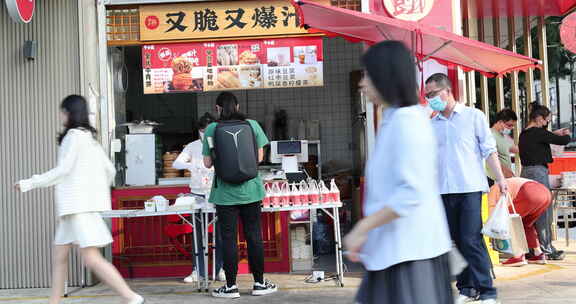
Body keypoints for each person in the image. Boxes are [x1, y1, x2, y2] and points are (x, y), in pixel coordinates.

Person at [344, 41, 453, 304]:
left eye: (368, 75)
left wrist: (362, 228)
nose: (363, 83)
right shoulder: (394, 119)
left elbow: (410, 193)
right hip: (395, 251)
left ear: (385, 76)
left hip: (411, 255)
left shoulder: (408, 122)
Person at [14, 95, 144, 304]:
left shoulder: (73, 136)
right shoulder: (89, 139)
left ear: (69, 113)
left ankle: (132, 297)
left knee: (90, 258)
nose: (60, 115)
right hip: (77, 208)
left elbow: (63, 170)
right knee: (60, 257)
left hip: (77, 208)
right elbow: (109, 170)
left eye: (62, 111)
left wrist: (30, 182)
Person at [426, 73, 508, 304]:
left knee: (471, 239)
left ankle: (487, 290)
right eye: (427, 95)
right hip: (442, 191)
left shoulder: (474, 117)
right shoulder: (432, 125)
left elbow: (489, 151)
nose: (430, 99)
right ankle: (466, 287)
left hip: (470, 188)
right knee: (455, 239)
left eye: (432, 94)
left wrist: (501, 179)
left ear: (447, 91)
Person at [202, 92, 277, 299]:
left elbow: (207, 163)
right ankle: (260, 283)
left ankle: (231, 286)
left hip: (224, 194)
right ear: (237, 105)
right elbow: (259, 158)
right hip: (251, 191)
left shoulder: (211, 129)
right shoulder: (252, 125)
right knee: (254, 236)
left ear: (217, 108)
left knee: (228, 239)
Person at [173, 112, 225, 283]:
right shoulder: (193, 146)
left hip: (217, 192)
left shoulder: (221, 143)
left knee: (221, 233)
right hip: (197, 193)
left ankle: (221, 269)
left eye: (208, 130)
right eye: (202, 130)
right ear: (199, 131)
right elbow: (176, 163)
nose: (205, 134)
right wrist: (191, 165)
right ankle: (197, 271)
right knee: (197, 234)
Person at [519, 103, 571, 261]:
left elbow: (545, 138)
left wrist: (553, 134)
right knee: (544, 210)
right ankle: (547, 249)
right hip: (538, 173)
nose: (546, 123)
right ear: (539, 118)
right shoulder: (539, 132)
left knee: (530, 212)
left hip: (526, 173)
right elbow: (562, 141)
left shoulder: (525, 133)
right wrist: (567, 134)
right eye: (546, 120)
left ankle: (532, 248)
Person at [487, 177, 551, 266]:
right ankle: (538, 254)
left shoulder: (491, 191)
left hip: (529, 192)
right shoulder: (503, 183)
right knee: (526, 224)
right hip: (545, 193)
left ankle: (518, 255)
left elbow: (493, 216)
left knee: (511, 221)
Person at [487, 109, 519, 186]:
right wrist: (509, 175)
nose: (511, 128)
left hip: (502, 178)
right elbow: (493, 158)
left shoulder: (502, 136)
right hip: (494, 179)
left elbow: (516, 149)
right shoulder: (491, 135)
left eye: (513, 126)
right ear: (500, 122)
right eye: (509, 125)